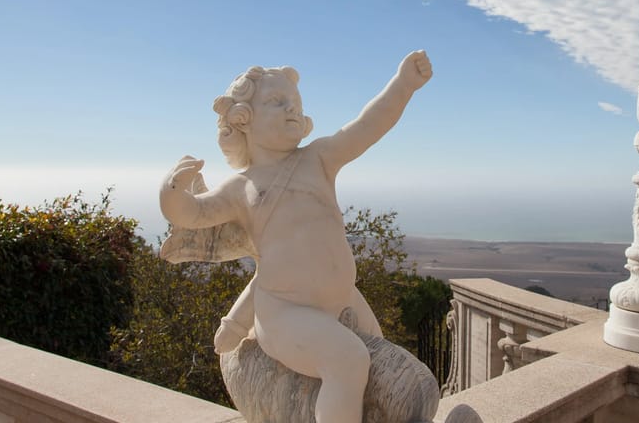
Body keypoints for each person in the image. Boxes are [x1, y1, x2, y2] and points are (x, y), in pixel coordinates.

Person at [159, 50, 433, 423]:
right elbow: (194, 214)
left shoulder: (318, 158)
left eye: (296, 103)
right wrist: (172, 192)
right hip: (285, 313)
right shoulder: (242, 187)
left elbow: (367, 126)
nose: (292, 109)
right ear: (244, 121)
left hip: (340, 300)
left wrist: (403, 85)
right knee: (348, 361)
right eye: (277, 102)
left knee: (381, 356)